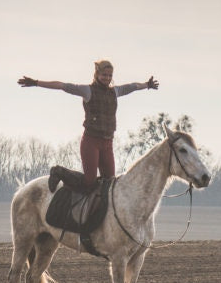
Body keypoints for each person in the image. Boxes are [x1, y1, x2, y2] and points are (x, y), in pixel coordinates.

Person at [19, 61, 158, 192]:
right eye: (104, 75)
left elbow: (133, 86)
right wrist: (36, 83)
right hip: (91, 142)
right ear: (97, 74)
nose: (107, 78)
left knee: (110, 183)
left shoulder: (115, 91)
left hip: (107, 142)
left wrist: (147, 84)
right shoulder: (87, 91)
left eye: (110, 75)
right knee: (89, 182)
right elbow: (62, 85)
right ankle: (59, 172)